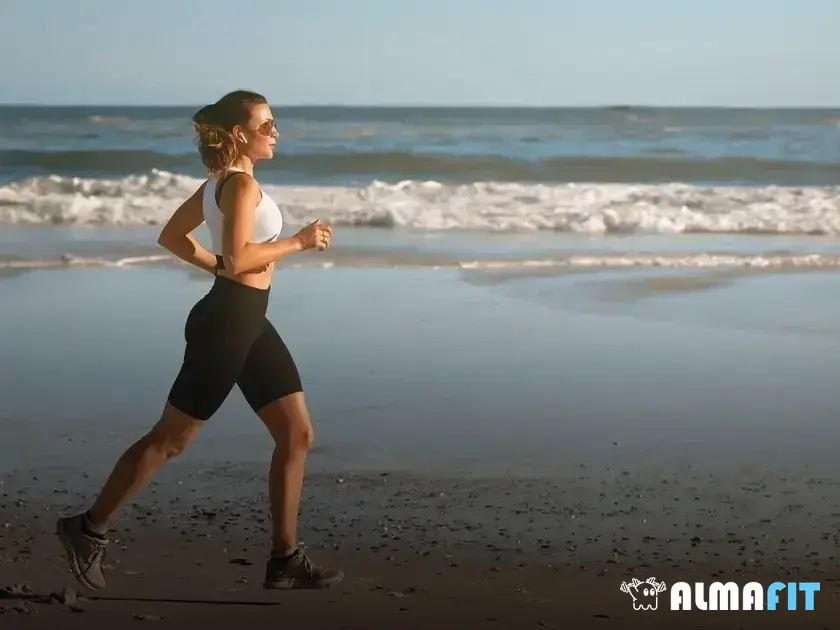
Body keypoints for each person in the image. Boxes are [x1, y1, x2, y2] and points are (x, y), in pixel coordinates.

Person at [55, 89, 344, 591]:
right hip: (228, 324)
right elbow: (238, 259)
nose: (275, 133)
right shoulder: (238, 187)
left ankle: (285, 558)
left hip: (247, 319)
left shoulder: (220, 184)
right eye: (267, 125)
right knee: (171, 440)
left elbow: (173, 237)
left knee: (296, 434)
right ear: (240, 134)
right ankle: (87, 529)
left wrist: (218, 265)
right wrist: (298, 241)